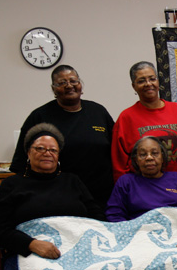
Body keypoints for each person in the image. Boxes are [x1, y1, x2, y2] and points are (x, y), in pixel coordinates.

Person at [0, 123, 104, 270]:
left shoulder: (72, 181)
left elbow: (96, 217)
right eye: (40, 148)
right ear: (28, 152)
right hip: (30, 253)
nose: (47, 153)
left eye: (53, 150)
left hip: (77, 250)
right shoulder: (12, 185)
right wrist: (31, 244)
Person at [10, 65, 114, 208]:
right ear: (53, 89)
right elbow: (21, 163)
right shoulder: (40, 116)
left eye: (73, 81)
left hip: (102, 195)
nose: (69, 86)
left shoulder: (98, 111)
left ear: (80, 84)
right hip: (59, 196)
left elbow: (116, 149)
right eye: (62, 83)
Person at [111, 61, 177, 194]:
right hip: (143, 194)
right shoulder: (126, 118)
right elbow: (119, 165)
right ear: (134, 86)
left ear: (158, 82)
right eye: (141, 81)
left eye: (152, 79)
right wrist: (126, 193)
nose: (148, 84)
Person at [105, 136, 177, 251]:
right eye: (143, 154)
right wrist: (129, 236)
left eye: (155, 153)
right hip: (137, 240)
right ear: (136, 160)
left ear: (163, 157)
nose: (149, 158)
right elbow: (114, 214)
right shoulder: (126, 182)